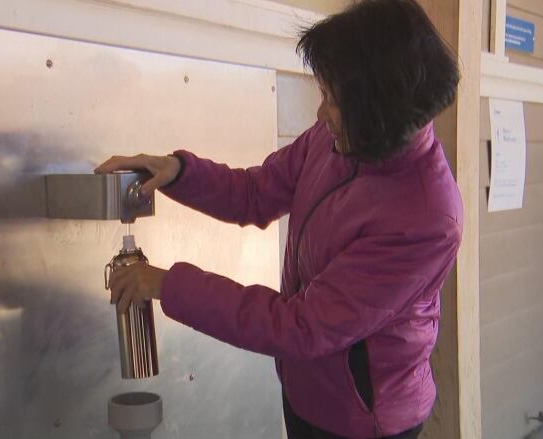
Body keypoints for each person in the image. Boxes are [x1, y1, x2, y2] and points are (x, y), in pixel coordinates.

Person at [95, 0, 463, 438]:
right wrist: (179, 173)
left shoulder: (425, 218)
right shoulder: (338, 138)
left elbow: (302, 327)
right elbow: (255, 193)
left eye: (332, 99)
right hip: (307, 389)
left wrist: (167, 284)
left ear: (377, 109)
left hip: (363, 419)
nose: (320, 112)